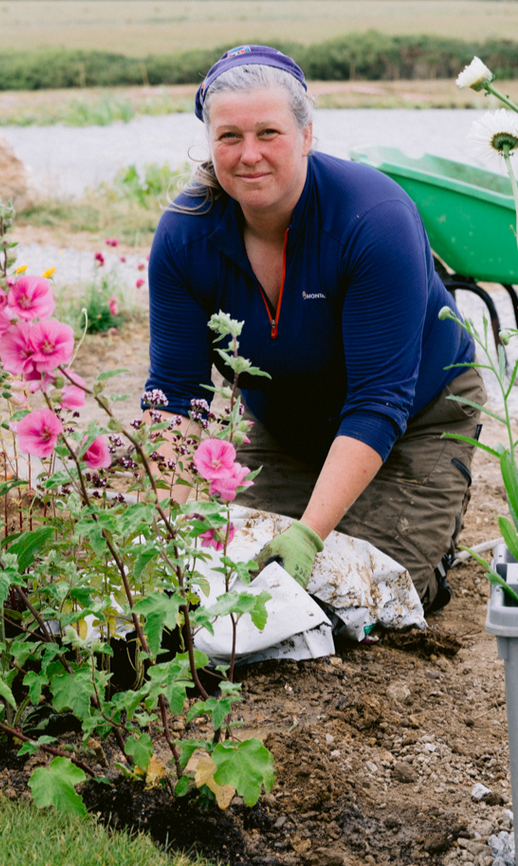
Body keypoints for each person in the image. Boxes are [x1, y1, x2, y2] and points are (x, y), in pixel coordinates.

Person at [144, 45, 485, 614]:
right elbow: (175, 400)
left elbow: (380, 400)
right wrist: (165, 530)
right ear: (209, 143)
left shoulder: (373, 218)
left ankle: (430, 539)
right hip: (289, 428)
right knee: (230, 570)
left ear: (306, 136)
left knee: (369, 589)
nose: (249, 155)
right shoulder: (185, 236)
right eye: (229, 136)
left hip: (416, 417)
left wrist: (308, 534)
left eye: (269, 133)